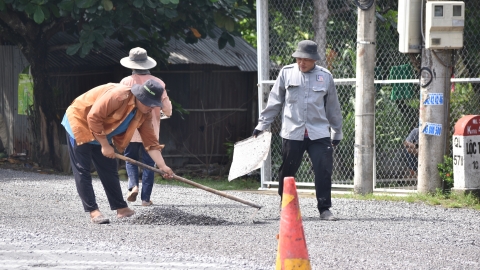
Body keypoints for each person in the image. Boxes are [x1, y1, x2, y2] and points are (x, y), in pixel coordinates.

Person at [61, 79, 174, 224]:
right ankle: (93, 211)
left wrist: (162, 166)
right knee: (82, 170)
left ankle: (121, 208)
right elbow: (93, 117)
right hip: (80, 123)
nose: (152, 108)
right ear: (140, 97)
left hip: (101, 131)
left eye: (154, 105)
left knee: (109, 169)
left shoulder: (144, 113)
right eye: (150, 103)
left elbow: (151, 144)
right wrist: (104, 145)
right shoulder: (118, 96)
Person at [252, 40, 343, 221]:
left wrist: (337, 131)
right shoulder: (286, 73)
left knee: (323, 169)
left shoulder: (326, 77)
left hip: (319, 132)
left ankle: (324, 209)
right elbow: (275, 101)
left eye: (306, 60)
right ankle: (285, 205)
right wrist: (262, 124)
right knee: (287, 170)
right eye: (299, 59)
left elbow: (333, 107)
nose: (302, 63)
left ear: (314, 60)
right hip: (293, 132)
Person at [120, 47, 172, 206]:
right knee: (150, 163)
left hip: (130, 129)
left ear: (131, 65)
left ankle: (133, 186)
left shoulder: (125, 82)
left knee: (130, 160)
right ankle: (145, 199)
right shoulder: (158, 83)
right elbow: (168, 109)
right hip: (151, 130)